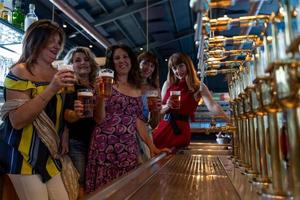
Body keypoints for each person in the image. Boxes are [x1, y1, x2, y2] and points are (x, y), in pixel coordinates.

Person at [0, 20, 78, 200]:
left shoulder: (57, 73)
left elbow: (60, 113)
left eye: (59, 42)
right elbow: (17, 121)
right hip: (22, 155)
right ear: (35, 40)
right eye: (51, 40)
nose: (56, 46)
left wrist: (69, 123)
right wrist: (52, 88)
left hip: (50, 154)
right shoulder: (20, 71)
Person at [85, 44, 170, 193]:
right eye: (117, 58)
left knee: (127, 193)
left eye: (125, 56)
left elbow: (138, 122)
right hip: (104, 148)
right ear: (112, 62)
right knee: (103, 193)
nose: (122, 60)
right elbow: (98, 119)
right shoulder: (103, 83)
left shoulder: (137, 87)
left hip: (128, 150)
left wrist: (152, 147)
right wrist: (99, 98)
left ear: (131, 60)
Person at [153, 52, 230, 149]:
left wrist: (229, 121)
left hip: (180, 131)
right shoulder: (168, 83)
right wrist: (167, 106)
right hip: (163, 129)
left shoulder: (199, 87)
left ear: (188, 65)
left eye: (181, 66)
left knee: (176, 161)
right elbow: (160, 110)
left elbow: (213, 106)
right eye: (174, 68)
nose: (178, 71)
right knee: (158, 161)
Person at [61, 47, 100, 198]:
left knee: (93, 181)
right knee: (79, 182)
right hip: (78, 141)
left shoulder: (97, 86)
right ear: (71, 65)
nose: (83, 62)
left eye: (86, 59)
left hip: (96, 141)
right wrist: (77, 115)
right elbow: (65, 115)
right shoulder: (69, 86)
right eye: (77, 60)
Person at [136, 52, 162, 162]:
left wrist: (156, 111)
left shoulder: (154, 89)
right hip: (126, 133)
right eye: (145, 63)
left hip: (144, 134)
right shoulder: (128, 84)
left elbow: (154, 124)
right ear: (137, 64)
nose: (149, 68)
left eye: (152, 66)